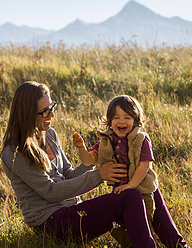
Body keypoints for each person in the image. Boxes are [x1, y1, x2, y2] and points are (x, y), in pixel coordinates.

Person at [1, 81, 159, 248]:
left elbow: (68, 175)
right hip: (50, 223)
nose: (52, 115)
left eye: (52, 107)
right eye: (45, 111)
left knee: (146, 187)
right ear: (27, 114)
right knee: (131, 196)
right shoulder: (15, 152)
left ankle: (176, 243)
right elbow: (51, 192)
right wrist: (99, 175)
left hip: (73, 211)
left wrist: (90, 161)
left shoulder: (50, 135)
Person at [73, 95, 188, 248]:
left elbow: (144, 165)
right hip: (124, 196)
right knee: (128, 230)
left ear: (136, 120)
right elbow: (88, 161)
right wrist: (81, 148)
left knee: (151, 224)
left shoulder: (141, 139)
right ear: (109, 121)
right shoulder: (106, 141)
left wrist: (131, 185)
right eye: (116, 117)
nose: (121, 121)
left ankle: (176, 245)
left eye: (127, 117)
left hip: (144, 190)